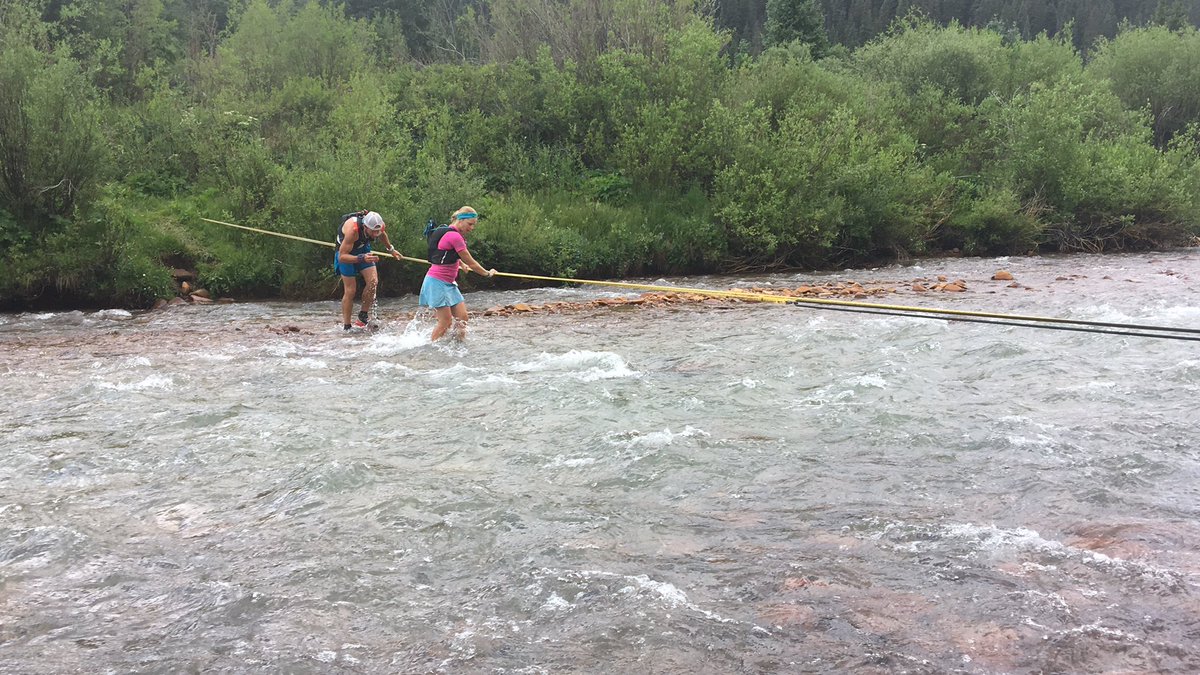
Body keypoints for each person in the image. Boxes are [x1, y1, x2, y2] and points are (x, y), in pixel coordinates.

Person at [419, 206, 497, 342]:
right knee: (445, 322)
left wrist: (461, 264)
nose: (472, 228)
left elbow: (446, 252)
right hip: (436, 282)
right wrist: (487, 274)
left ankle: (457, 348)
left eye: (474, 225)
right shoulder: (454, 236)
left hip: (448, 283)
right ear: (460, 220)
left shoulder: (448, 231)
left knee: (462, 319)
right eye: (470, 224)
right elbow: (472, 262)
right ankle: (431, 349)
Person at [335, 210, 401, 330]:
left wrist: (391, 249)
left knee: (373, 282)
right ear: (365, 227)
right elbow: (342, 256)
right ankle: (347, 326)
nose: (376, 234)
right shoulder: (353, 231)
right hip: (345, 253)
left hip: (362, 249)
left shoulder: (378, 227)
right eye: (373, 232)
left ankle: (362, 316)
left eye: (377, 231)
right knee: (350, 290)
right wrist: (361, 258)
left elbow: (382, 234)